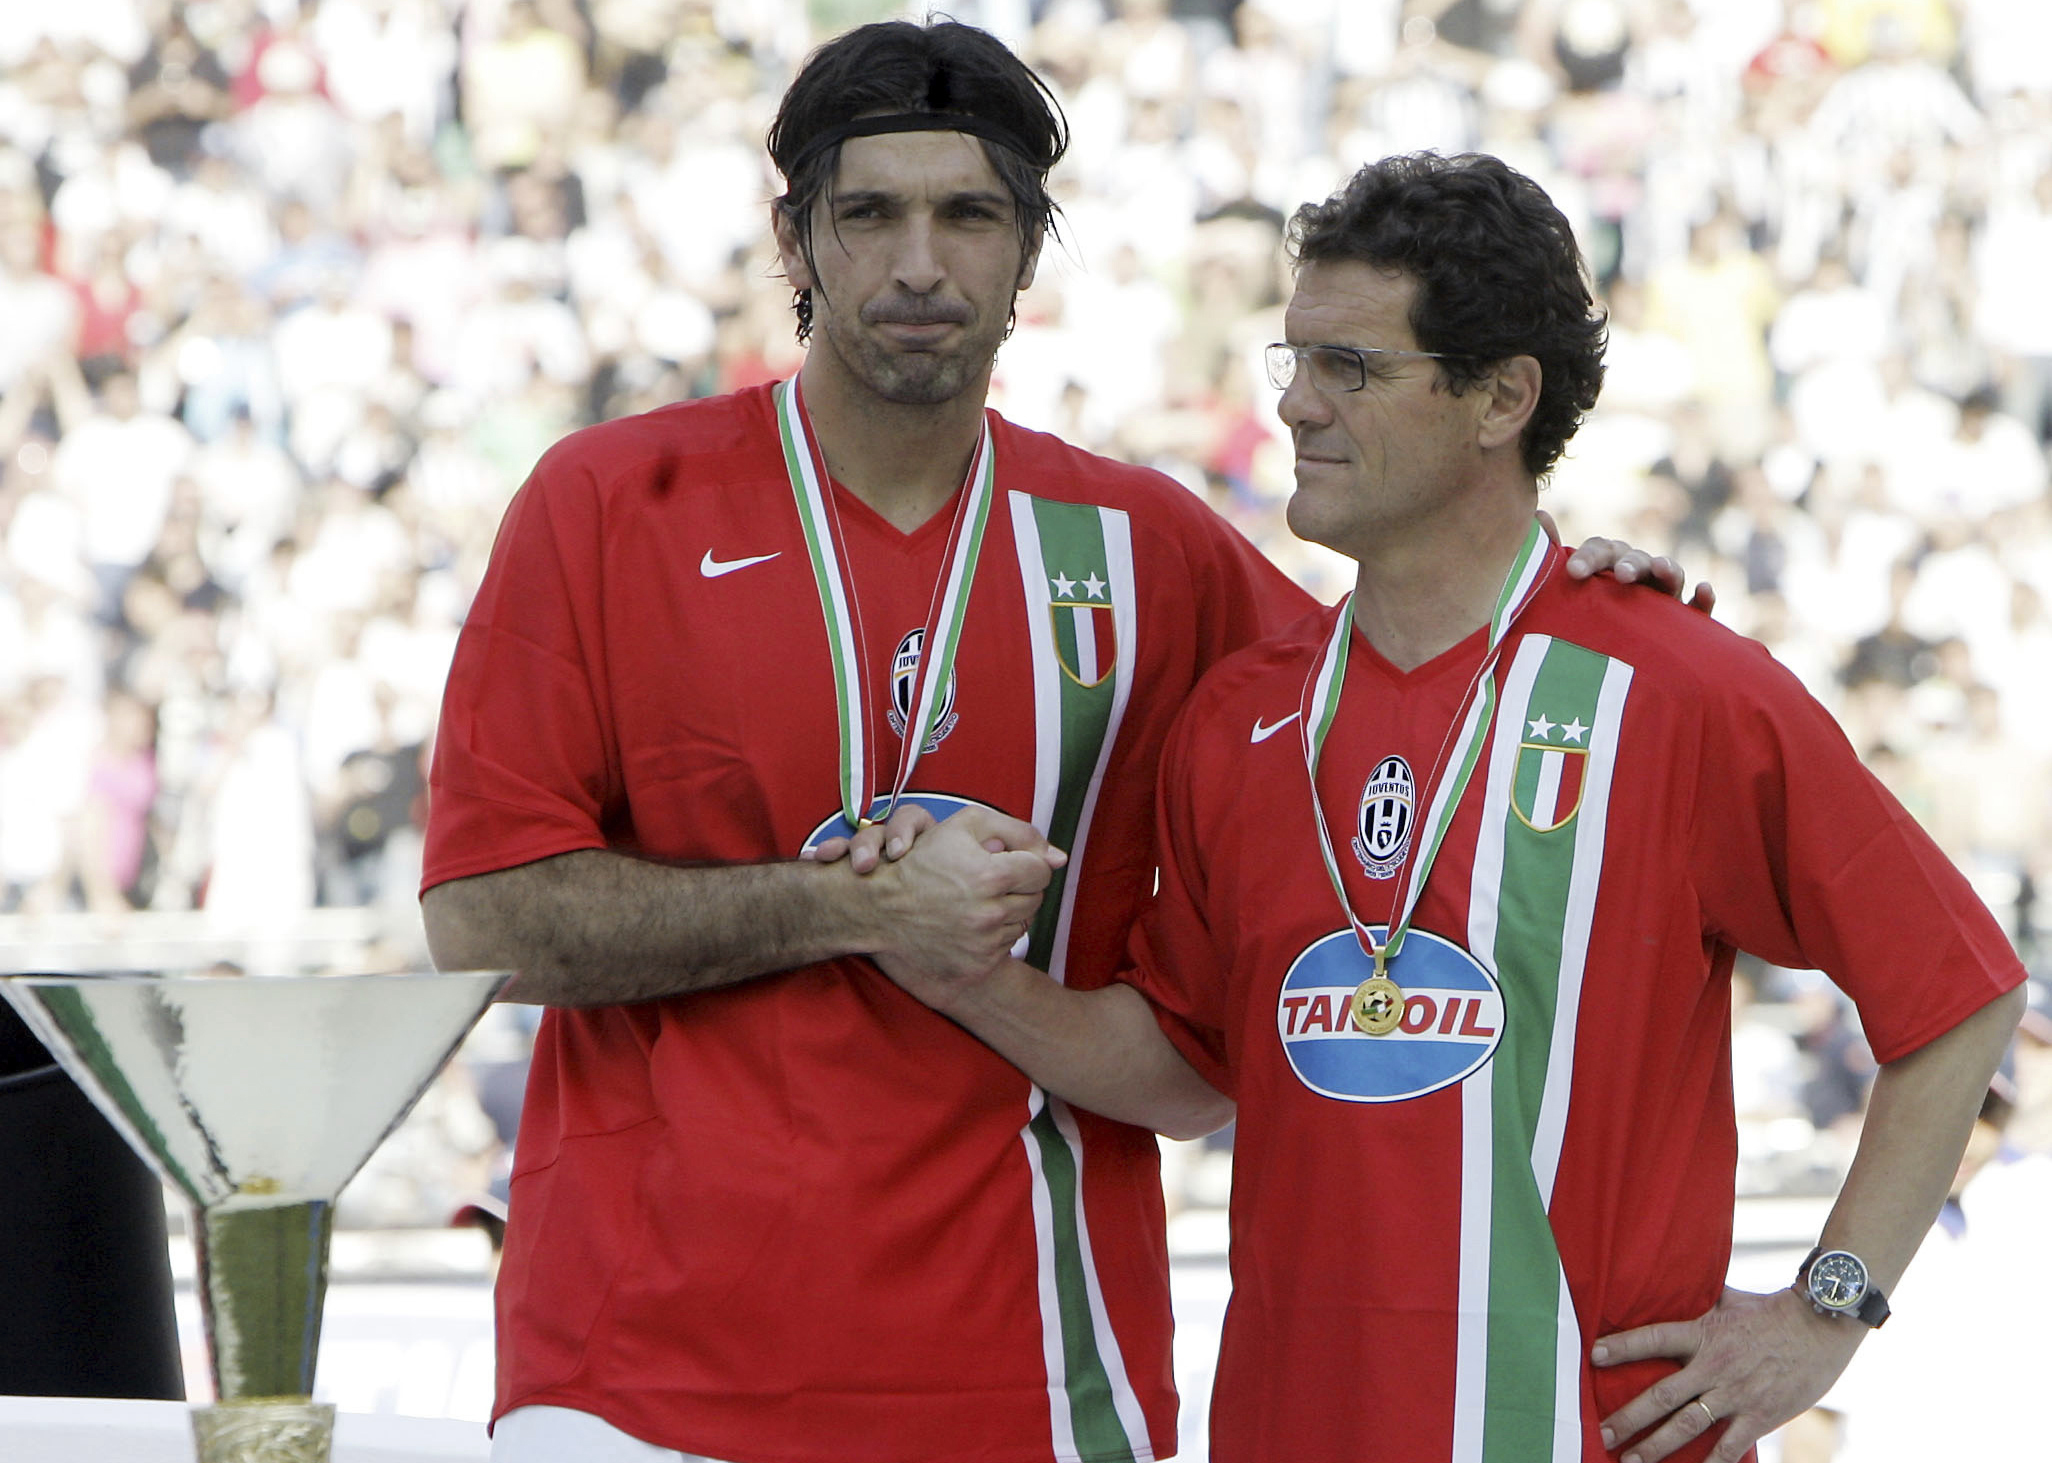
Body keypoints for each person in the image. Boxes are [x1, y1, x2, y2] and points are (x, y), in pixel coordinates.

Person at [421, 22, 1689, 1463]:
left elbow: (1417, 676)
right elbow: (484, 925)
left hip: (1039, 1384)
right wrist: (844, 906)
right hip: (641, 1385)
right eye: (870, 214)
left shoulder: (1143, 547)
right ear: (797, 242)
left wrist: (1571, 593)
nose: (919, 265)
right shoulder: (609, 504)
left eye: (970, 216)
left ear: (1028, 252)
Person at [867, 153, 2026, 1463]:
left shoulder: (1679, 687)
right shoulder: (1243, 713)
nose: (1298, 405)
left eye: (1352, 368)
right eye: (1291, 359)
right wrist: (964, 980)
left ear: (1501, 397)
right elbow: (1190, 1073)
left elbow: (1962, 995)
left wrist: (1824, 1316)